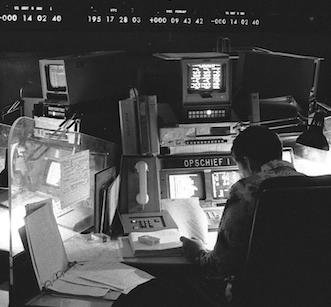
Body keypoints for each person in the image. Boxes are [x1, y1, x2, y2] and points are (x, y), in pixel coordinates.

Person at [115, 125, 303, 306]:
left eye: (239, 166)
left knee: (153, 291)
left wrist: (197, 251)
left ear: (246, 161)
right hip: (301, 292)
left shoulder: (245, 190)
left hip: (250, 295)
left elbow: (217, 268)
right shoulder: (316, 187)